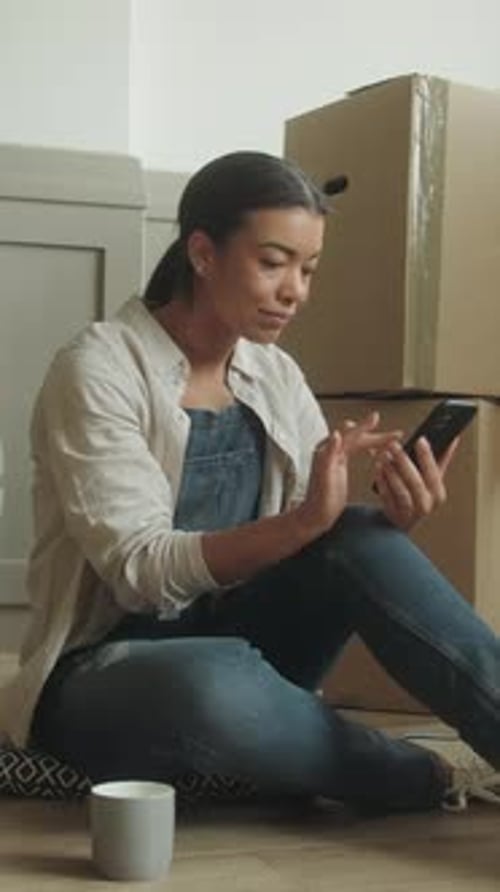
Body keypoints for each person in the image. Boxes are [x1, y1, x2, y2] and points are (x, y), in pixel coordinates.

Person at [2, 149, 500, 813]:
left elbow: (311, 548)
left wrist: (387, 522)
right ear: (203, 254)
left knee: (360, 535)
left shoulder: (274, 373)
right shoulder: (98, 368)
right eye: (273, 263)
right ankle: (421, 775)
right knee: (215, 686)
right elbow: (141, 569)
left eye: (308, 269)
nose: (296, 290)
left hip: (246, 649)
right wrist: (303, 524)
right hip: (108, 675)